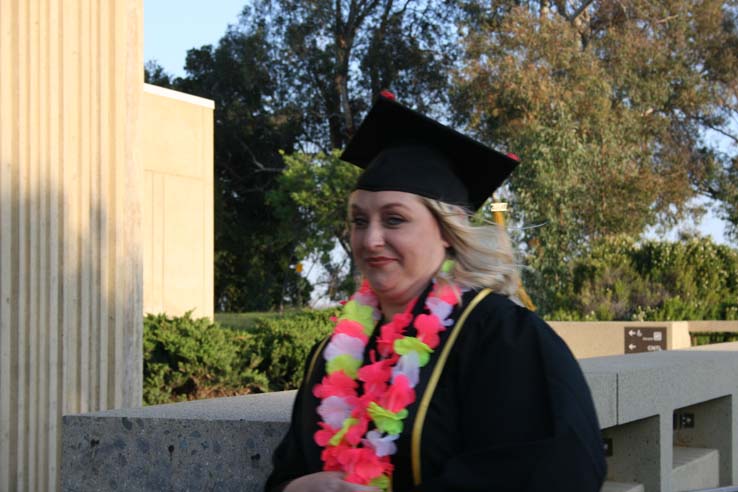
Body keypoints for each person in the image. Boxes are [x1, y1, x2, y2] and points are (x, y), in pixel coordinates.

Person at [264, 92, 607, 492]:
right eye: (359, 220)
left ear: (447, 231)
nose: (370, 239)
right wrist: (300, 489)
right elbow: (288, 471)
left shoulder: (501, 336)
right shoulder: (334, 353)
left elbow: (561, 471)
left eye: (394, 219)